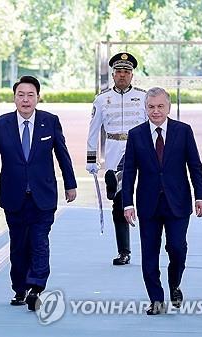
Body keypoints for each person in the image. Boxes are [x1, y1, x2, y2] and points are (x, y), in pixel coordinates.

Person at [0, 75, 77, 311]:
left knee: (39, 241)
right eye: (21, 95)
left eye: (30, 95)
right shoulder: (1, 124)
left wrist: (70, 183)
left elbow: (62, 155)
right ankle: (20, 289)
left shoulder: (50, 121)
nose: (25, 100)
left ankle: (36, 285)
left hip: (42, 195)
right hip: (13, 196)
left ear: (38, 97)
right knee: (18, 244)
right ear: (14, 98)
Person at [122, 87, 202, 315]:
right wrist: (127, 203)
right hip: (148, 204)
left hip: (178, 202)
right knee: (149, 254)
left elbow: (195, 166)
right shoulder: (136, 134)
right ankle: (156, 299)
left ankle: (174, 284)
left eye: (160, 106)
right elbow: (129, 171)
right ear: (145, 108)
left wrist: (201, 196)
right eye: (151, 107)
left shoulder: (183, 131)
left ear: (168, 107)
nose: (156, 111)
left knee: (177, 248)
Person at [86, 52, 147, 265]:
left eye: (126, 72)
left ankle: (152, 245)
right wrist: (91, 160)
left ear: (132, 75)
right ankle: (124, 251)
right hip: (113, 148)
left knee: (145, 197)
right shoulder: (102, 99)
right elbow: (93, 131)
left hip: (139, 149)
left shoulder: (143, 97)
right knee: (120, 203)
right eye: (119, 71)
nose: (122, 75)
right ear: (113, 74)